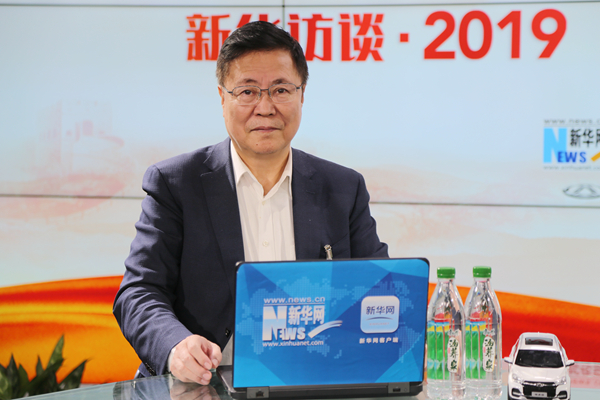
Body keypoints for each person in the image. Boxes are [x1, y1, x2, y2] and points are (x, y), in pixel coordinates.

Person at [113, 20, 388, 386]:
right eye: (247, 91)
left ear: (302, 95)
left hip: (312, 384)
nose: (265, 107)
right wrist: (176, 346)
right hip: (202, 387)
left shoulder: (342, 188)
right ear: (222, 97)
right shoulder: (176, 184)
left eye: (281, 90)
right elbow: (139, 292)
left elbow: (379, 290)